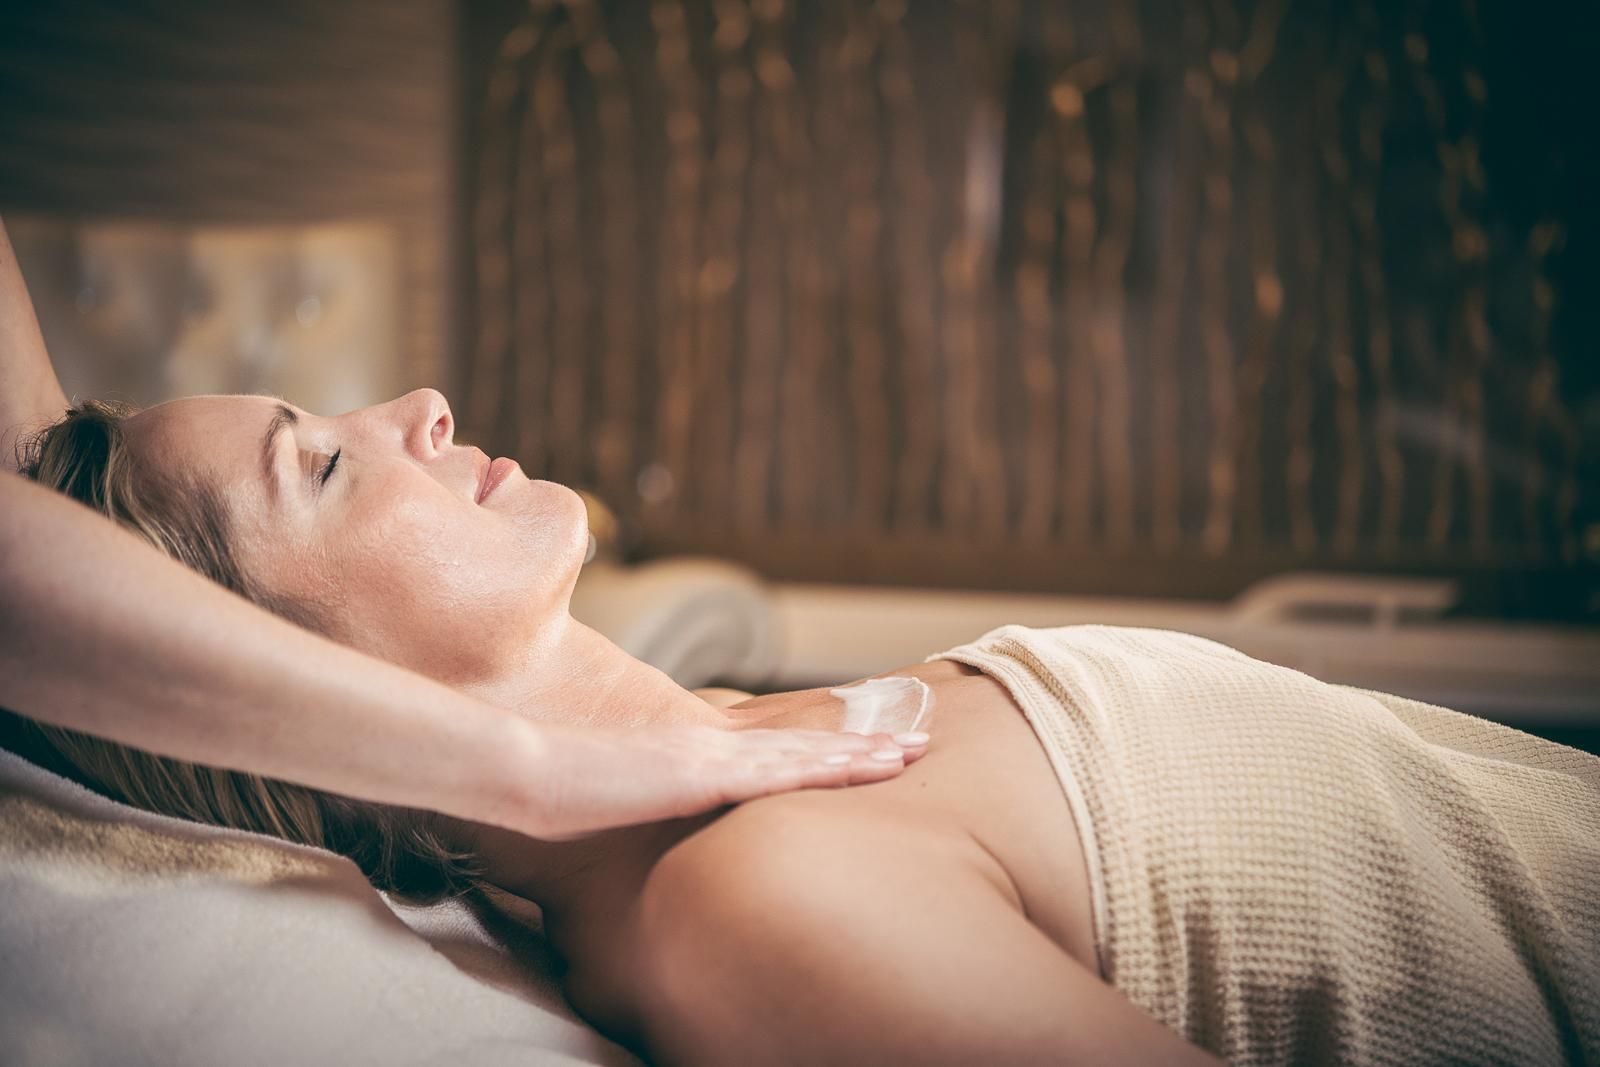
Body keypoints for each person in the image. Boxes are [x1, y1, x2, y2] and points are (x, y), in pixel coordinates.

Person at [12, 381, 1600, 1065]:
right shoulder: (754, 901)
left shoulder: (746, 761)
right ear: (269, 690)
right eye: (322, 465)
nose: (416, 406)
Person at [0, 216, 927, 845]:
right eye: (323, 466)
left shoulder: (741, 723)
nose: (428, 403)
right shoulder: (754, 878)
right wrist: (528, 769)